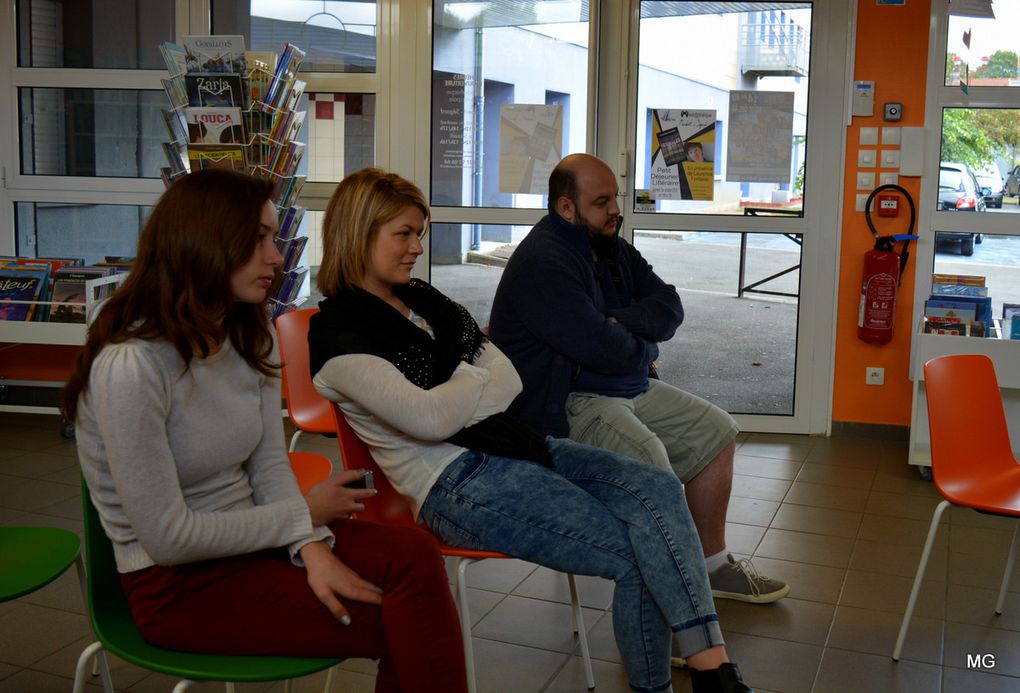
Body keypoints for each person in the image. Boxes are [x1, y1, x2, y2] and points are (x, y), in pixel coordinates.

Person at [309, 166, 757, 693]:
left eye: (419, 233)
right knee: (640, 551)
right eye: (403, 234)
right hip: (454, 483)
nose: (416, 247)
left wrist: (461, 384)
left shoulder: (423, 301)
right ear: (359, 235)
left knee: (655, 487)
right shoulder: (338, 337)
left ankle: (714, 671)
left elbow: (509, 377)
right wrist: (471, 374)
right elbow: (431, 422)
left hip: (519, 444)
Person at [62, 169, 468, 693]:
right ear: (203, 242)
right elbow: (167, 539)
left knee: (416, 555)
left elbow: (268, 465)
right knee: (403, 621)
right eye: (258, 239)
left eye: (273, 238)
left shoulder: (247, 333)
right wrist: (302, 518)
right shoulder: (131, 365)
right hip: (177, 586)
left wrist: (312, 547)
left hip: (256, 540)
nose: (276, 258)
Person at [489, 153, 789, 605]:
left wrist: (619, 321)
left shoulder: (610, 247)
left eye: (616, 199)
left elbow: (669, 305)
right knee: (653, 469)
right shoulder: (544, 261)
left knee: (716, 430)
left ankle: (712, 568)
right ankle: (673, 611)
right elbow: (602, 348)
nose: (615, 210)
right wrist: (641, 344)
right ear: (566, 208)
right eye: (602, 201)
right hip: (567, 403)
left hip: (623, 387)